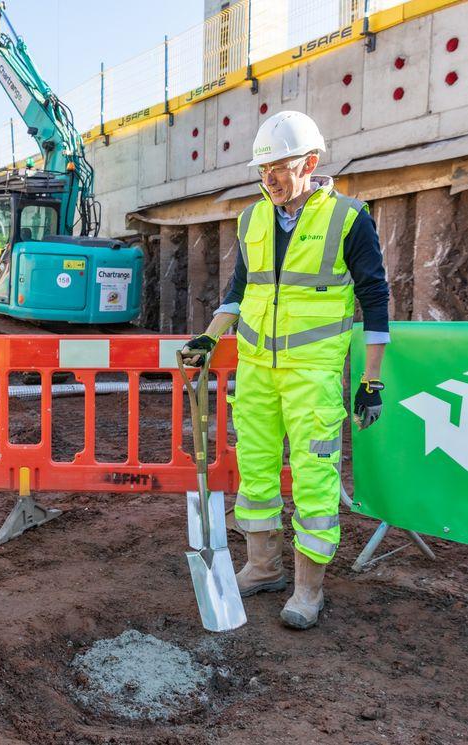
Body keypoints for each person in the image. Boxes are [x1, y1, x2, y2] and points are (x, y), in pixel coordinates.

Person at [180, 110, 390, 630]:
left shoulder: (348, 218)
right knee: (254, 466)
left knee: (315, 477)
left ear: (310, 163)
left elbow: (376, 299)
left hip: (311, 374)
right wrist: (211, 334)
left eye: (278, 166)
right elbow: (239, 291)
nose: (268, 178)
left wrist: (372, 378)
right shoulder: (252, 218)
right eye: (262, 169)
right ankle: (263, 566)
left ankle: (307, 590)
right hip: (255, 370)